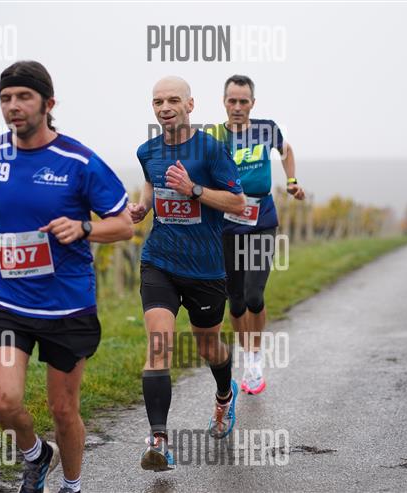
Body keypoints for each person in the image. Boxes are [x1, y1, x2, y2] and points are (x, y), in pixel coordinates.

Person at [0, 60, 133, 493]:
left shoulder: (80, 161)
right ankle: (37, 454)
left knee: (63, 410)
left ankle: (71, 485)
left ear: (48, 104)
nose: (13, 106)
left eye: (24, 97)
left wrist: (84, 227)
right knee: (3, 401)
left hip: (66, 305)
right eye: (6, 98)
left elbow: (124, 226)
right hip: (7, 300)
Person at [128, 76, 246, 471]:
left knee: (208, 346)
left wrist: (194, 189)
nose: (165, 108)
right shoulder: (147, 151)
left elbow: (238, 202)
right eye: (158, 101)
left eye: (173, 100)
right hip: (159, 261)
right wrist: (142, 207)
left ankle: (225, 395)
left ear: (190, 105)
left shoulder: (210, 149)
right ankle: (158, 441)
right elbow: (151, 185)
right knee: (159, 343)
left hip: (205, 268)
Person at [207, 75, 305, 395]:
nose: (237, 107)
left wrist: (291, 181)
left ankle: (255, 357)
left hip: (262, 220)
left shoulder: (267, 129)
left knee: (253, 295)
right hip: (227, 224)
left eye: (243, 101)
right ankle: (246, 352)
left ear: (252, 103)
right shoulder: (213, 137)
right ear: (224, 102)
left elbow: (286, 151)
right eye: (232, 101)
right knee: (235, 300)